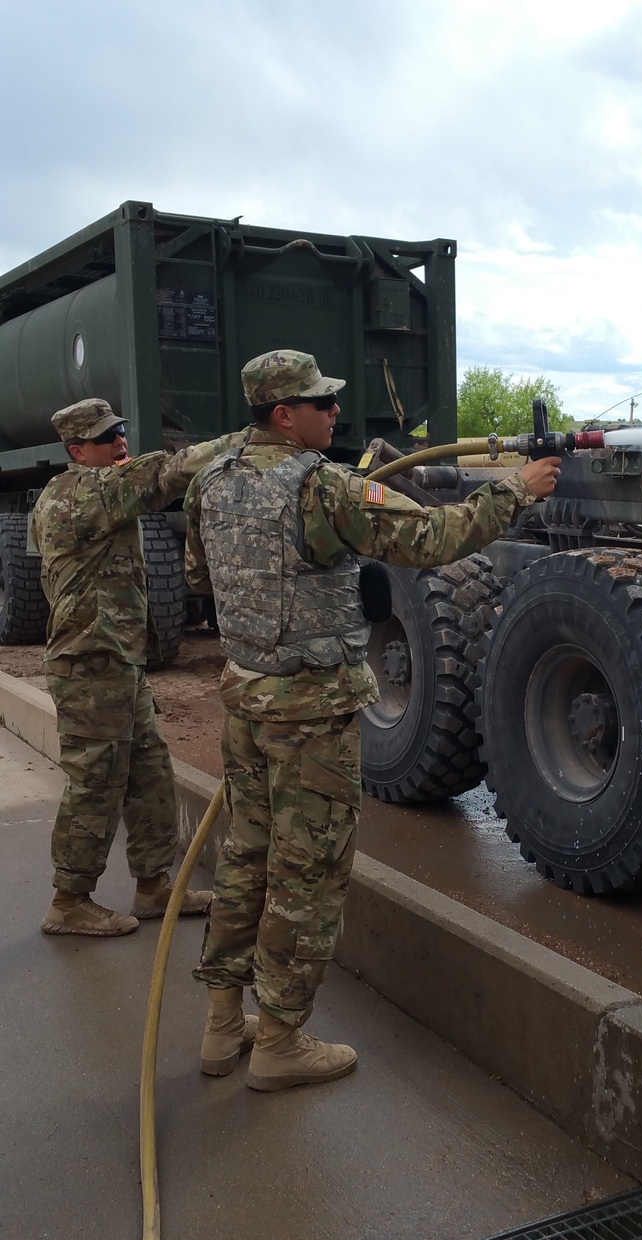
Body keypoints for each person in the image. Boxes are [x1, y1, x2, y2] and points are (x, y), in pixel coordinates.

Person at [185, 349, 561, 1091]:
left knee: (246, 859)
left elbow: (203, 578)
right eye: (320, 403)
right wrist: (519, 489)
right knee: (308, 875)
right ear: (283, 414)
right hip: (310, 715)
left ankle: (224, 1025)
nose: (334, 411)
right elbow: (435, 540)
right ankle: (281, 1040)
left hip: (247, 702)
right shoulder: (321, 488)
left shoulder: (212, 482)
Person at [31, 398, 241, 937]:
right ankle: (69, 900)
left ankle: (154, 887)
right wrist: (247, 437)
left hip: (117, 662)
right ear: (78, 451)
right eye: (106, 439)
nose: (120, 443)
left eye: (120, 432)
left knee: (149, 772)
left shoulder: (95, 492)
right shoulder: (83, 493)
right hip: (89, 665)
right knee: (96, 782)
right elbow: (165, 474)